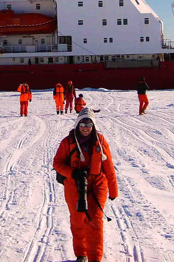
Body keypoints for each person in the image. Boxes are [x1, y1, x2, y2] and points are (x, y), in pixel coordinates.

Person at [52, 108, 118, 262]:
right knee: (78, 219)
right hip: (74, 184)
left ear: (93, 125)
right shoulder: (67, 142)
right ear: (77, 124)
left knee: (95, 219)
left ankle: (95, 257)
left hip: (96, 182)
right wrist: (72, 173)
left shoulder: (100, 141)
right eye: (82, 123)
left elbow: (108, 166)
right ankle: (81, 254)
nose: (85, 127)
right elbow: (57, 163)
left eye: (89, 123)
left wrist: (113, 190)